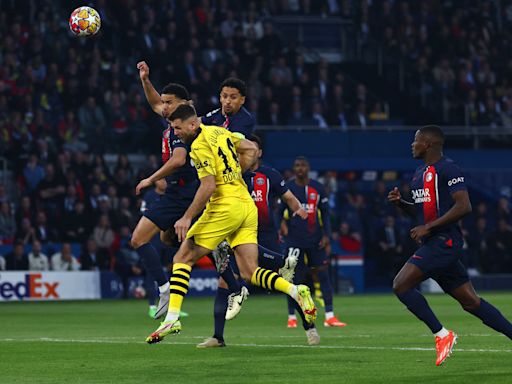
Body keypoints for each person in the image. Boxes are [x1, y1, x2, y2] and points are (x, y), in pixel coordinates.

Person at [145, 104, 317, 344]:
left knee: (182, 257)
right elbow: (250, 149)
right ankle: (296, 291)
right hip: (245, 203)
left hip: (225, 205)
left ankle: (172, 317)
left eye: (178, 128)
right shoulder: (220, 131)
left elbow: (208, 186)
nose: (176, 133)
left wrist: (186, 217)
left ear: (192, 124)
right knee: (249, 271)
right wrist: (235, 172)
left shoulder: (198, 146)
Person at [388, 125, 512, 366]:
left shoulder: (448, 168)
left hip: (445, 242)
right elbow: (421, 213)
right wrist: (401, 204)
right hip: (435, 242)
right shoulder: (418, 174)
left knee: (400, 285)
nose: (412, 145)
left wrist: (430, 227)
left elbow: (464, 206)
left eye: (416, 140)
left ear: (429, 144)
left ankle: (442, 335)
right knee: (471, 302)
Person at [197, 135, 318, 348]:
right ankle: (218, 336)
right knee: (224, 282)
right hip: (238, 236)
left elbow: (288, 196)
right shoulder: (230, 174)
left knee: (286, 282)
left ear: (258, 152)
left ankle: (310, 328)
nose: (244, 152)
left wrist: (298, 208)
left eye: (250, 148)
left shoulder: (270, 174)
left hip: (266, 236)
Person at [131, 61, 199, 319]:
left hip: (187, 192)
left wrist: (150, 178)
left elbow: (179, 160)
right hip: (175, 192)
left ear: (185, 105)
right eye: (165, 102)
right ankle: (164, 288)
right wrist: (145, 80)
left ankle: (238, 286)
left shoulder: (182, 130)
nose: (164, 106)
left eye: (169, 102)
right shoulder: (174, 121)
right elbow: (154, 104)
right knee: (139, 239)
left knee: (206, 247)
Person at [281, 156, 347, 328]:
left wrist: (327, 236)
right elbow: (278, 211)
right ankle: (292, 317)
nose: (300, 168)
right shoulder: (288, 188)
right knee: (292, 278)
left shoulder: (318, 188)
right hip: (294, 240)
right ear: (294, 169)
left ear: (308, 167)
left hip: (315, 239)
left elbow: (325, 213)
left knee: (323, 274)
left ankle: (330, 316)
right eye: (297, 165)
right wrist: (281, 226)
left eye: (303, 165)